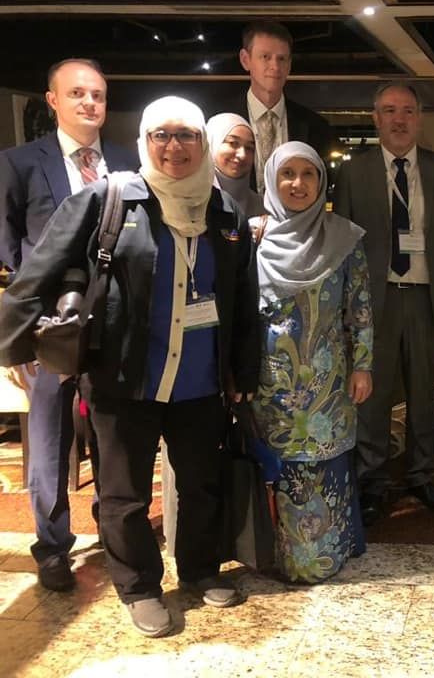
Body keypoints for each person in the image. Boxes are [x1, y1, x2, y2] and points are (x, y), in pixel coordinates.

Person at [0, 96, 260, 638]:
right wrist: (11, 348)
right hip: (123, 378)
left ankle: (200, 570)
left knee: (201, 484)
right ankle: (139, 586)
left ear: (203, 143)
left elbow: (240, 299)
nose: (174, 147)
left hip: (200, 381)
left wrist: (243, 371)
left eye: (187, 135)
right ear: (145, 140)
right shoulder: (110, 198)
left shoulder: (224, 213)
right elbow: (38, 272)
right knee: (125, 496)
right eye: (162, 134)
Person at [0, 58, 137, 592]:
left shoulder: (127, 162)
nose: (89, 103)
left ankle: (112, 529)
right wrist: (30, 316)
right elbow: (9, 244)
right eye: (77, 93)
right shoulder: (18, 164)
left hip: (114, 322)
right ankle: (53, 546)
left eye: (98, 94)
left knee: (112, 433)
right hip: (49, 326)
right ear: (52, 100)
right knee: (50, 439)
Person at [333, 82, 434, 526]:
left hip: (428, 296)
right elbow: (344, 243)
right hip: (374, 300)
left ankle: (421, 472)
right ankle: (372, 478)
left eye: (408, 110)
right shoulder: (354, 172)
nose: (399, 119)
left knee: (425, 390)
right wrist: (347, 304)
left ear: (419, 118)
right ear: (375, 118)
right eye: (389, 110)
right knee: (372, 393)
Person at [253, 141, 372, 582]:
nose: (298, 183)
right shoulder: (253, 237)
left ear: (322, 182)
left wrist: (363, 365)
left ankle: (327, 552)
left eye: (308, 174)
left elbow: (360, 308)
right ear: (272, 180)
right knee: (278, 467)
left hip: (328, 380)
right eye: (287, 174)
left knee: (326, 464)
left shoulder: (343, 237)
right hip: (269, 381)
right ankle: (279, 556)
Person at [161, 111, 262, 558]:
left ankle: (208, 554)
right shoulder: (172, 196)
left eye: (248, 146)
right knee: (179, 463)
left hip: (218, 353)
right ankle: (174, 540)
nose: (240, 154)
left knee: (206, 463)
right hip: (168, 352)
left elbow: (244, 290)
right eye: (230, 143)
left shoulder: (253, 204)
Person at [224, 20, 335, 193]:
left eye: (282, 59)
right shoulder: (219, 121)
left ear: (289, 65)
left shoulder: (316, 127)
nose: (275, 67)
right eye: (265, 57)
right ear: (245, 60)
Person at [207, 112, 262, 216]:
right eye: (233, 143)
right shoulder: (191, 200)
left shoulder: (262, 208)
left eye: (249, 148)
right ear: (212, 144)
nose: (242, 155)